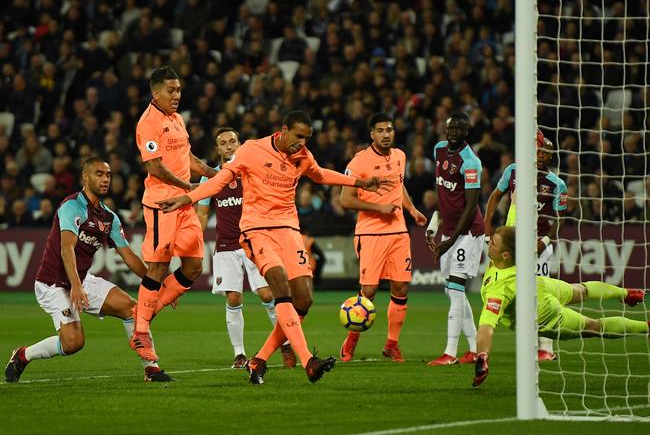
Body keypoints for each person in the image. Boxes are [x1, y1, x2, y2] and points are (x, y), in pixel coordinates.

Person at [157, 110, 392, 384]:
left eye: (306, 138)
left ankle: (258, 360)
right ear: (283, 130)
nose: (301, 143)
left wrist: (360, 182)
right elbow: (220, 180)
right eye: (298, 136)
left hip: (289, 230)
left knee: (304, 299)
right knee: (279, 289)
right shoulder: (252, 149)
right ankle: (308, 361)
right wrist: (188, 198)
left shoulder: (303, 156)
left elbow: (320, 175)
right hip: (257, 229)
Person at [4, 158, 173, 383]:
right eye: (99, 174)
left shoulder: (108, 217)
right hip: (53, 283)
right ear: (85, 177)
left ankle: (152, 369)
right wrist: (74, 285)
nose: (105, 179)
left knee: (132, 309)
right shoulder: (72, 206)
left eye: (108, 175)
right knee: (73, 343)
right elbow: (67, 248)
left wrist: (159, 281)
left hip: (81, 280)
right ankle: (24, 355)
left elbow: (129, 257)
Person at [472, 226, 647, 387]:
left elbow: (487, 326)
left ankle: (645, 326)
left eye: (493, 243)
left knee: (594, 326)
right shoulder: (513, 251)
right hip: (542, 286)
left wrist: (482, 355)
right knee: (581, 290)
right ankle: (627, 293)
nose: (489, 244)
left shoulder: (500, 290)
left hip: (544, 314)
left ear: (505, 255)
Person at [131, 66, 217, 362]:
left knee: (194, 266)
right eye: (171, 90)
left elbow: (187, 157)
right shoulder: (148, 123)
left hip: (183, 204)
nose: (177, 95)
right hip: (162, 205)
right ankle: (141, 330)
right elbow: (154, 167)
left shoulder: (178, 119)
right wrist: (189, 187)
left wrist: (213, 173)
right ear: (156, 93)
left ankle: (144, 312)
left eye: (179, 90)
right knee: (157, 268)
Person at [196, 127, 296, 369]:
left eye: (233, 141)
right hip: (225, 247)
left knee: (267, 294)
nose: (229, 146)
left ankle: (285, 345)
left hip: (254, 242)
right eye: (224, 143)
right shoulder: (211, 178)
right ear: (217, 149)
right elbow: (202, 213)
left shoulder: (252, 171)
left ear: (240, 144)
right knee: (233, 297)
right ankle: (239, 354)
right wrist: (197, 249)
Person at [339, 112, 427, 363]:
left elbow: (399, 187)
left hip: (399, 232)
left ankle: (392, 345)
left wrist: (411, 210)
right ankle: (350, 343)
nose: (386, 135)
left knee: (400, 287)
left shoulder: (400, 156)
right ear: (372, 134)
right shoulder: (359, 161)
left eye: (389, 130)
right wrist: (379, 208)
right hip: (371, 232)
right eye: (380, 130)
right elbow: (345, 200)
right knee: (368, 290)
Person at [484, 136, 567, 362]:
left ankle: (546, 347)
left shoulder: (556, 184)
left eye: (545, 153)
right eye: (538, 152)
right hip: (512, 244)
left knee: (540, 294)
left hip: (538, 245)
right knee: (513, 291)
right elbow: (495, 195)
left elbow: (560, 219)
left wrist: (544, 243)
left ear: (551, 156)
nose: (541, 156)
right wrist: (487, 223)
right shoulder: (513, 171)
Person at [426, 111, 485, 366]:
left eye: (458, 129)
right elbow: (444, 196)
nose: (452, 133)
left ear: (466, 133)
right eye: (449, 128)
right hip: (449, 232)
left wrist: (450, 241)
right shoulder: (439, 150)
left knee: (457, 290)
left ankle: (450, 352)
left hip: (468, 234)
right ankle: (473, 348)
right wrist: (434, 226)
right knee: (453, 293)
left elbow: (471, 206)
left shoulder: (471, 162)